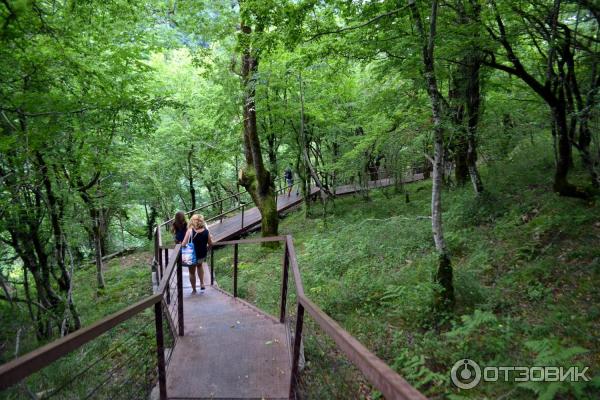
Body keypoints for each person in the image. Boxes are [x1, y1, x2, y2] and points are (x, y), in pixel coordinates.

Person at [181, 214, 213, 294]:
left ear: (192, 221)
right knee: (200, 266)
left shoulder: (190, 231)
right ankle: (202, 283)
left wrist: (181, 244)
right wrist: (207, 249)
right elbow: (210, 244)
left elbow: (184, 244)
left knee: (191, 272)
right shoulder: (206, 231)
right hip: (202, 254)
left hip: (191, 256)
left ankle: (194, 289)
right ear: (202, 221)